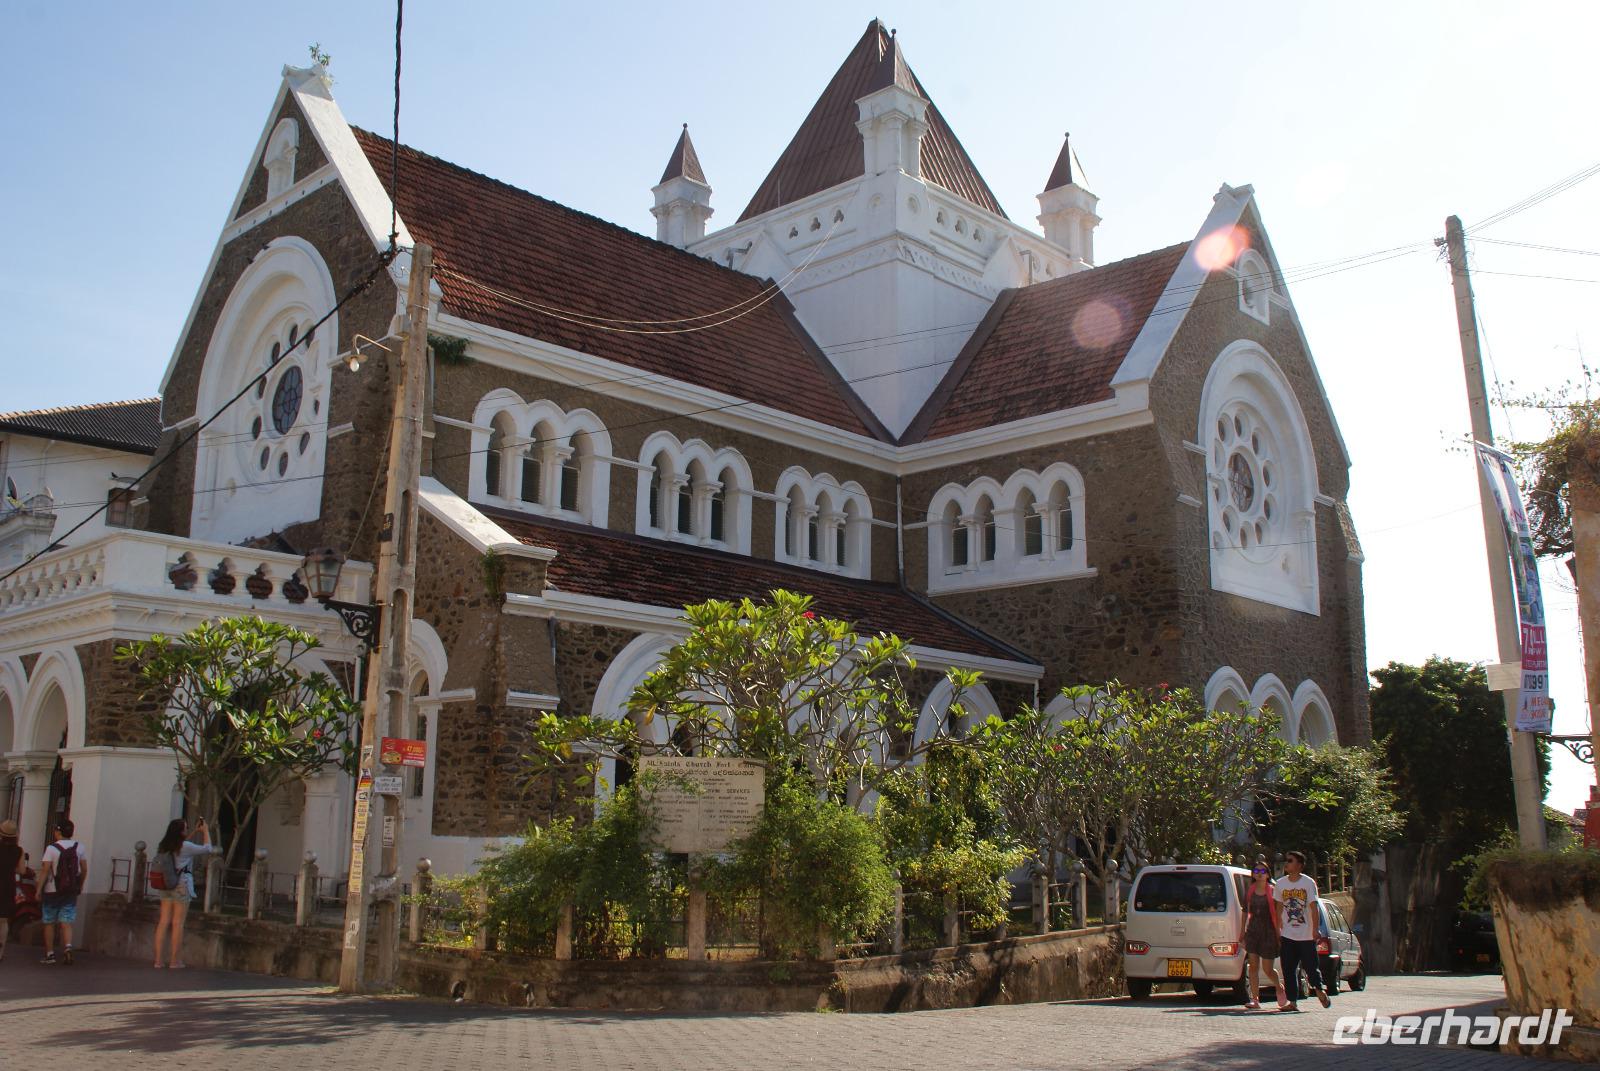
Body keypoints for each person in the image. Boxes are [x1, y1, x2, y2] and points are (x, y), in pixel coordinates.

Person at [1273, 849, 1330, 1011]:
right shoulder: (1280, 884)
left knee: (1311, 967)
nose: (1287, 863)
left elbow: (1313, 907)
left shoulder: (1308, 883)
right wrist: (1278, 928)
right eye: (1286, 860)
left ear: (1299, 865)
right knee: (1288, 969)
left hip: (1306, 934)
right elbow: (1278, 907)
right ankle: (1292, 1002)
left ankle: (1319, 989)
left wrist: (1315, 929)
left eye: (1290, 860)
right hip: (1288, 935)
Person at [151, 817, 210, 969]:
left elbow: (181, 846)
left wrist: (195, 831)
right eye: (186, 828)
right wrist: (205, 831)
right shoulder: (186, 846)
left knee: (163, 922)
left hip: (166, 885)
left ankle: (158, 960)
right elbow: (207, 848)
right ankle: (174, 961)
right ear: (181, 831)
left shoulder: (164, 846)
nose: (187, 830)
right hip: (181, 885)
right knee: (178, 923)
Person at [1238, 860, 1286, 1010]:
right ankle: (1255, 999)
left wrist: (1279, 931)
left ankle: (1279, 987)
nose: (1259, 875)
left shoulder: (1272, 891)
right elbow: (1245, 912)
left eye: (1262, 872)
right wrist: (1242, 932)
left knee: (1267, 968)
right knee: (1252, 966)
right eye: (1256, 872)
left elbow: (1279, 913)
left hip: (1269, 932)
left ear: (1267, 874)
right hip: (1253, 931)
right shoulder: (1250, 890)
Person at [38, 817, 86, 966]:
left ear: (58, 831)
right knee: (66, 922)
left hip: (52, 890)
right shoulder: (80, 847)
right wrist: (80, 884)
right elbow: (84, 869)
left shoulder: (51, 848)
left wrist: (38, 889)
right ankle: (68, 948)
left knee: (49, 923)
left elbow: (45, 871)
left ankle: (50, 954)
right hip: (70, 890)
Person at [0, 819, 25, 963]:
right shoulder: (18, 851)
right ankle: (0, 953)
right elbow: (21, 870)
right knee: (3, 921)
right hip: (8, 887)